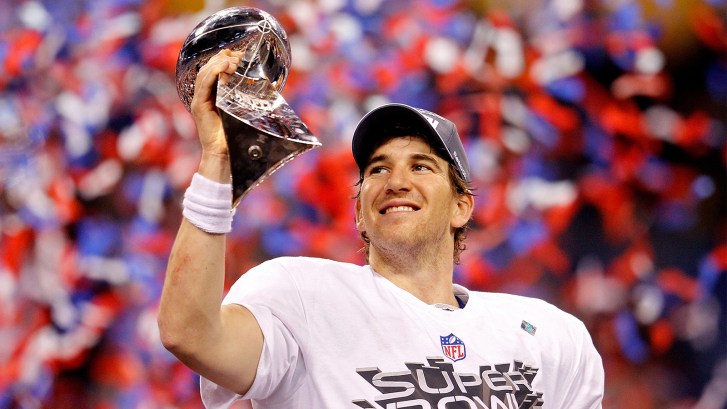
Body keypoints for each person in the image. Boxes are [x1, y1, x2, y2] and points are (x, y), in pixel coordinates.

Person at [158, 49, 605, 409]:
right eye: (377, 169)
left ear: (461, 207)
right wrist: (217, 164)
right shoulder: (301, 296)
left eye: (421, 166)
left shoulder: (549, 335)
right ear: (359, 212)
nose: (396, 182)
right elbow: (190, 334)